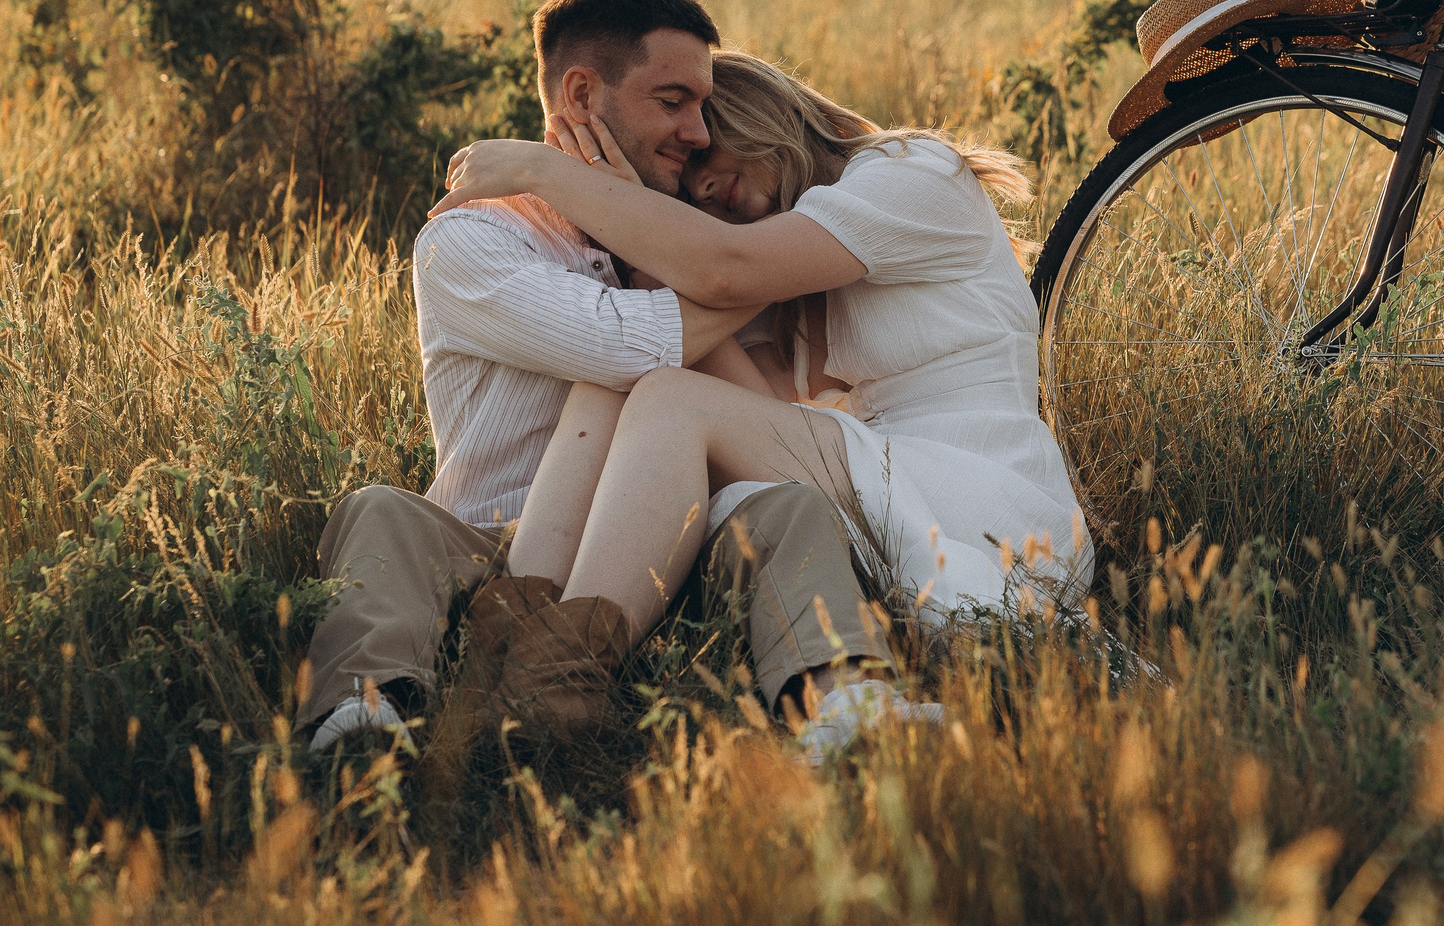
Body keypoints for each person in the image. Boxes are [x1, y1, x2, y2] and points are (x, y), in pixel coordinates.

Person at [299, 0, 899, 760]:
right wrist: (742, 266)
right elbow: (622, 348)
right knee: (379, 510)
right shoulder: (473, 239)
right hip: (494, 553)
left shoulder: (688, 229)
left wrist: (687, 242)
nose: (696, 130)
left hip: (658, 548)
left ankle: (847, 699)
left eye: (702, 104)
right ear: (581, 95)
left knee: (786, 510)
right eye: (672, 100)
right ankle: (364, 720)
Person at [432, 52, 1090, 750]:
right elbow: (753, 420)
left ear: (766, 114)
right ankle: (511, 648)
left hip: (978, 484)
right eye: (688, 186)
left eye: (710, 149)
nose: (705, 182)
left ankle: (559, 672)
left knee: (667, 396)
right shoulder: (803, 287)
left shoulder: (909, 172)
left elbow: (723, 267)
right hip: (893, 472)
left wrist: (550, 174)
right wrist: (649, 251)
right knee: (628, 381)